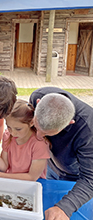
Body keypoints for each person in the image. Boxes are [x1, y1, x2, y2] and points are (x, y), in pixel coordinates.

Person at [29, 86, 93, 220]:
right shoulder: (37, 96)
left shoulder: (88, 130)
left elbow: (90, 179)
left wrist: (65, 207)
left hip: (73, 177)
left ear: (69, 123)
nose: (39, 136)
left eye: (46, 133)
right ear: (38, 103)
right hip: (50, 165)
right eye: (36, 126)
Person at [0, 99, 50, 181]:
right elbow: (4, 167)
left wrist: (0, 175)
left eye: (18, 129)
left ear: (31, 123)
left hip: (32, 186)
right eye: (9, 127)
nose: (13, 133)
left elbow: (32, 177)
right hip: (12, 183)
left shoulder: (39, 143)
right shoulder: (8, 136)